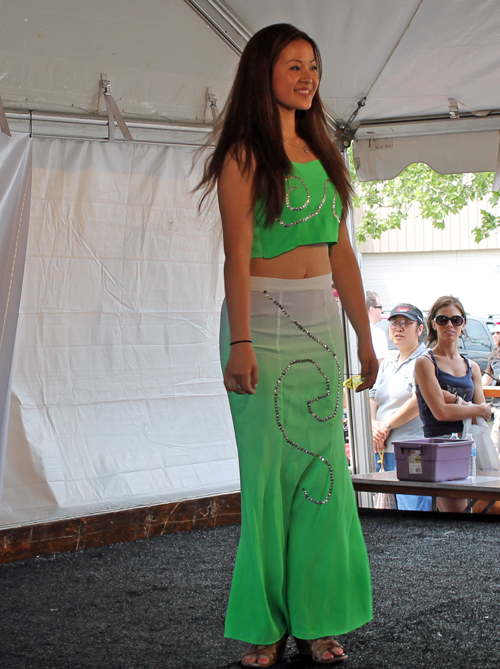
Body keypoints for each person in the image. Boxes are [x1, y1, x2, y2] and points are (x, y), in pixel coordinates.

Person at [197, 23, 377, 667]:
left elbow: (345, 257)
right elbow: (235, 258)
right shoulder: (243, 157)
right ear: (262, 73)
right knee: (269, 481)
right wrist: (239, 340)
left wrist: (365, 338)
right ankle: (265, 627)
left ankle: (321, 619)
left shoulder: (325, 151)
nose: (307, 76)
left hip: (323, 330)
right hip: (262, 331)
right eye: (293, 64)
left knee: (324, 477)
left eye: (314, 66)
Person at [414, 296, 491, 512]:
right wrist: (468, 406)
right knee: (456, 515)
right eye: (443, 319)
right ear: (433, 323)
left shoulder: (472, 366)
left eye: (456, 320)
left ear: (463, 324)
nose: (449, 325)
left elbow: (481, 415)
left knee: (483, 510)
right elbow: (440, 412)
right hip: (441, 447)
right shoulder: (425, 362)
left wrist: (454, 400)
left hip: (470, 444)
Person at [370, 304, 432, 511]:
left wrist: (385, 426)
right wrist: (372, 424)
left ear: (420, 329)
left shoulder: (426, 360)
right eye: (394, 323)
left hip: (413, 448)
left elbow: (418, 401)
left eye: (406, 323)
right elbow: (373, 396)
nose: (399, 328)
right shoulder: (388, 362)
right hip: (384, 449)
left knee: (413, 508)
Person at [482, 322, 500, 451]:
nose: (495, 336)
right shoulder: (495, 354)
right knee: (495, 435)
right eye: (493, 333)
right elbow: (488, 377)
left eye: (498, 333)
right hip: (498, 403)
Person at [366, 291, 388, 362]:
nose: (382, 311)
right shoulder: (377, 334)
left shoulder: (351, 331)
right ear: (372, 310)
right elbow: (380, 364)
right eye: (380, 307)